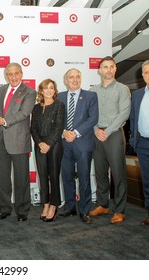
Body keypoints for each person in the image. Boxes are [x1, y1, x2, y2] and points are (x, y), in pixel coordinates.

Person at [0, 62, 36, 222]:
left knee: (21, 178)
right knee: (3, 178)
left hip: (19, 141)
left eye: (16, 73)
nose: (13, 77)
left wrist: (2, 120)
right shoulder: (0, 90)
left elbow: (24, 113)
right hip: (0, 140)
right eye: (10, 74)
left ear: (21, 74)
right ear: (6, 75)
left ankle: (22, 211)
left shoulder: (29, 92)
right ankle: (5, 208)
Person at [89, 56, 131, 224]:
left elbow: (124, 113)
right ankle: (103, 204)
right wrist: (95, 130)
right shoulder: (93, 91)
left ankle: (120, 210)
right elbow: (89, 114)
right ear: (99, 70)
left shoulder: (122, 89)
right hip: (97, 134)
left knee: (118, 173)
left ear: (115, 69)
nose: (108, 70)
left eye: (111, 67)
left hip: (113, 134)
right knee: (100, 172)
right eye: (104, 67)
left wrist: (107, 130)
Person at [57, 69, 99, 224]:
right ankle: (70, 207)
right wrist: (63, 132)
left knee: (84, 177)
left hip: (83, 143)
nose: (75, 80)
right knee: (66, 176)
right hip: (64, 143)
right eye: (71, 77)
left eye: (77, 77)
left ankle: (85, 210)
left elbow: (93, 118)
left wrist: (75, 132)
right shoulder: (59, 97)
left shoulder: (90, 96)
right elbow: (56, 119)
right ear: (66, 80)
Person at [30, 79, 65, 222]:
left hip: (55, 145)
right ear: (41, 90)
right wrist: (40, 143)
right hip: (39, 145)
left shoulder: (59, 105)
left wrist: (48, 144)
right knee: (43, 176)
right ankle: (45, 204)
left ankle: (54, 205)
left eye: (52, 87)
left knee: (54, 176)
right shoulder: (36, 108)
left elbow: (59, 127)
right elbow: (33, 128)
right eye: (46, 88)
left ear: (55, 90)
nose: (49, 90)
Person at [129, 60, 149, 226]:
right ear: (142, 75)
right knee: (147, 181)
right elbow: (133, 119)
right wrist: (134, 141)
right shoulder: (137, 94)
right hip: (143, 144)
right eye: (146, 72)